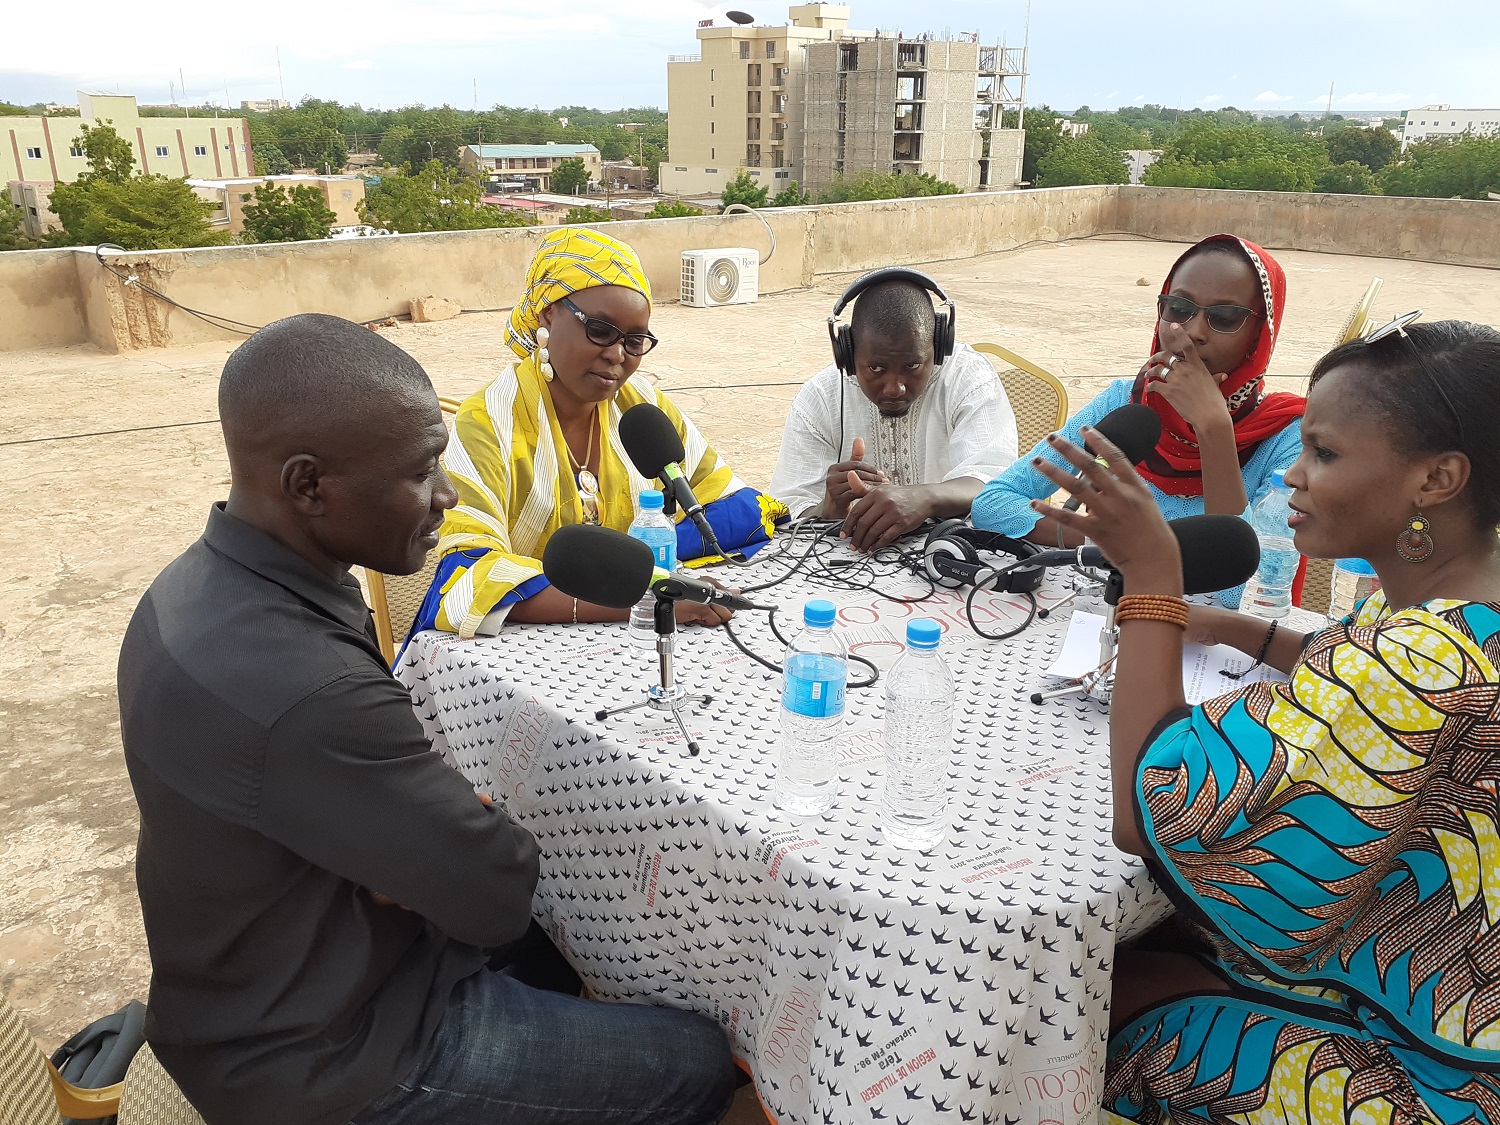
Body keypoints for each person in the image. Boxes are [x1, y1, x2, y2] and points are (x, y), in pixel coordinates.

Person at [117, 314, 736, 1125]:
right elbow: (495, 893)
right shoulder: (312, 690)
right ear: (309, 485)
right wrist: (460, 836)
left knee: (564, 942)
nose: (447, 496)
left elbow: (430, 864)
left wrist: (419, 853)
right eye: (420, 473)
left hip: (249, 988)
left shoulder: (185, 590)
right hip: (332, 1054)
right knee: (696, 1058)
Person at [1030, 318, 1500, 1125]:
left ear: (1438, 478)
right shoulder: (1462, 606)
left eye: (1324, 453)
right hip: (1457, 1005)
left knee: (1070, 1006)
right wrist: (1239, 628)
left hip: (1430, 1076)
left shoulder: (1421, 662)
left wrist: (1151, 577)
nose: (1295, 479)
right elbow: (1352, 658)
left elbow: (1151, 808)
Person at [416, 227, 784, 638]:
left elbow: (738, 506)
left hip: (638, 642)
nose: (617, 355)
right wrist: (647, 597)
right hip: (524, 652)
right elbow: (468, 574)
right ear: (547, 315)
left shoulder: (642, 407)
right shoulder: (490, 420)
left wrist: (643, 568)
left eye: (635, 340)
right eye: (601, 331)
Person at [971, 234, 1305, 606]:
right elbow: (993, 503)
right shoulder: (1125, 403)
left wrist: (1214, 431)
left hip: (1211, 647)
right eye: (1179, 308)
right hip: (1103, 615)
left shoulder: (1286, 435)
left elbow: (1241, 591)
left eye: (1224, 318)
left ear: (1259, 335)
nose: (1193, 332)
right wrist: (1108, 542)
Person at [768, 268, 1018, 552]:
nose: (894, 388)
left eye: (912, 366)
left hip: (953, 558)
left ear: (938, 347)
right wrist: (828, 507)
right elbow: (785, 514)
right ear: (847, 356)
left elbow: (998, 482)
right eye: (876, 368)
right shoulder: (820, 398)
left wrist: (923, 498)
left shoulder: (966, 377)